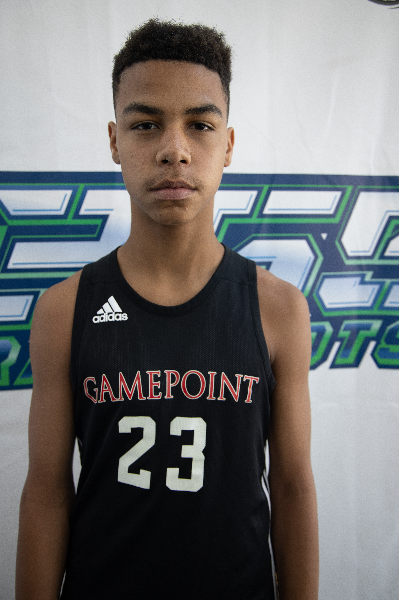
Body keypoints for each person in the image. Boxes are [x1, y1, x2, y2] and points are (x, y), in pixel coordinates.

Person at [16, 19, 319, 600]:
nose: (174, 150)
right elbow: (47, 492)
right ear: (114, 141)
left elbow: (293, 487)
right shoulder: (64, 309)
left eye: (200, 125)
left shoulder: (280, 308)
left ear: (227, 145)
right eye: (146, 124)